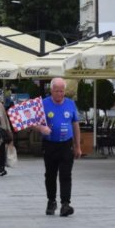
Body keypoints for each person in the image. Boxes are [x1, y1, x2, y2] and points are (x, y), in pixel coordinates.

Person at [32, 77, 82, 217]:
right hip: (50, 144)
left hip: (66, 144)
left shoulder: (71, 104)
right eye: (56, 91)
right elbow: (33, 122)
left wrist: (77, 146)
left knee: (66, 174)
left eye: (62, 91)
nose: (59, 94)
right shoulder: (43, 103)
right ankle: (51, 200)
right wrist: (42, 128)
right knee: (50, 175)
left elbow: (76, 125)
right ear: (51, 91)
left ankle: (65, 204)